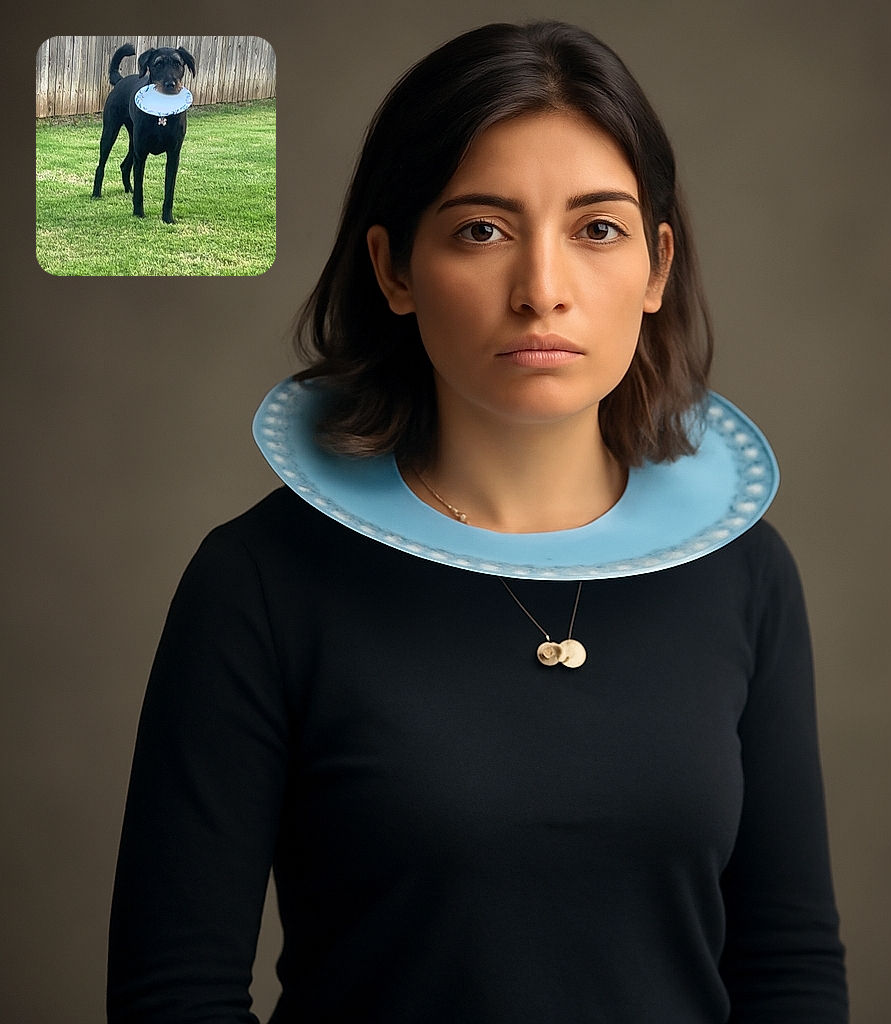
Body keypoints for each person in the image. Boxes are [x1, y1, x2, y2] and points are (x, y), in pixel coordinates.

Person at [107, 20, 848, 1023]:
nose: (542, 291)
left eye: (597, 228)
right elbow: (174, 995)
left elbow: (789, 968)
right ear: (394, 269)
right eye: (480, 229)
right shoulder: (260, 580)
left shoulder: (746, 576)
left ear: (657, 265)